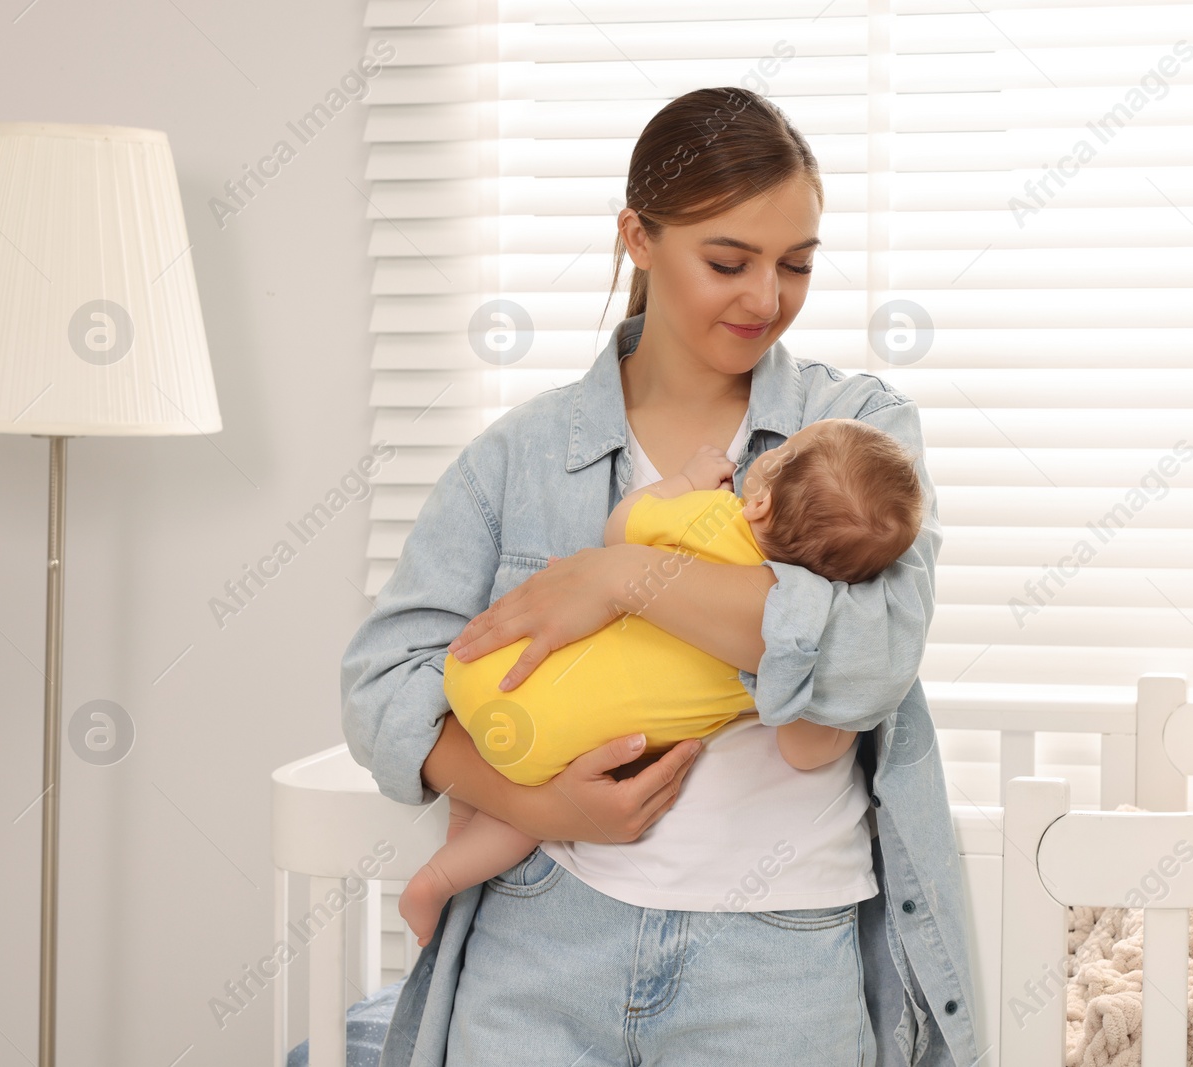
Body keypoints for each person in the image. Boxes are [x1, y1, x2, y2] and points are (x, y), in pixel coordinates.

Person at [341, 85, 980, 1067]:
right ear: (638, 237)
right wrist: (537, 805)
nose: (765, 298)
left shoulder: (854, 433)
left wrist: (618, 577)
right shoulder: (519, 457)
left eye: (795, 265)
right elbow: (385, 684)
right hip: (541, 937)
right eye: (728, 261)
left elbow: (869, 657)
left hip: (778, 952)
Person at [397, 418, 927, 945]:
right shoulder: (789, 644)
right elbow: (803, 751)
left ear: (760, 503)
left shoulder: (712, 517)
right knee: (524, 811)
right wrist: (841, 724)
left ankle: (461, 821)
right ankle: (438, 880)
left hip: (485, 671)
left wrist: (688, 482)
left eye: (782, 454)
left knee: (486, 778)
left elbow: (622, 527)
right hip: (548, 747)